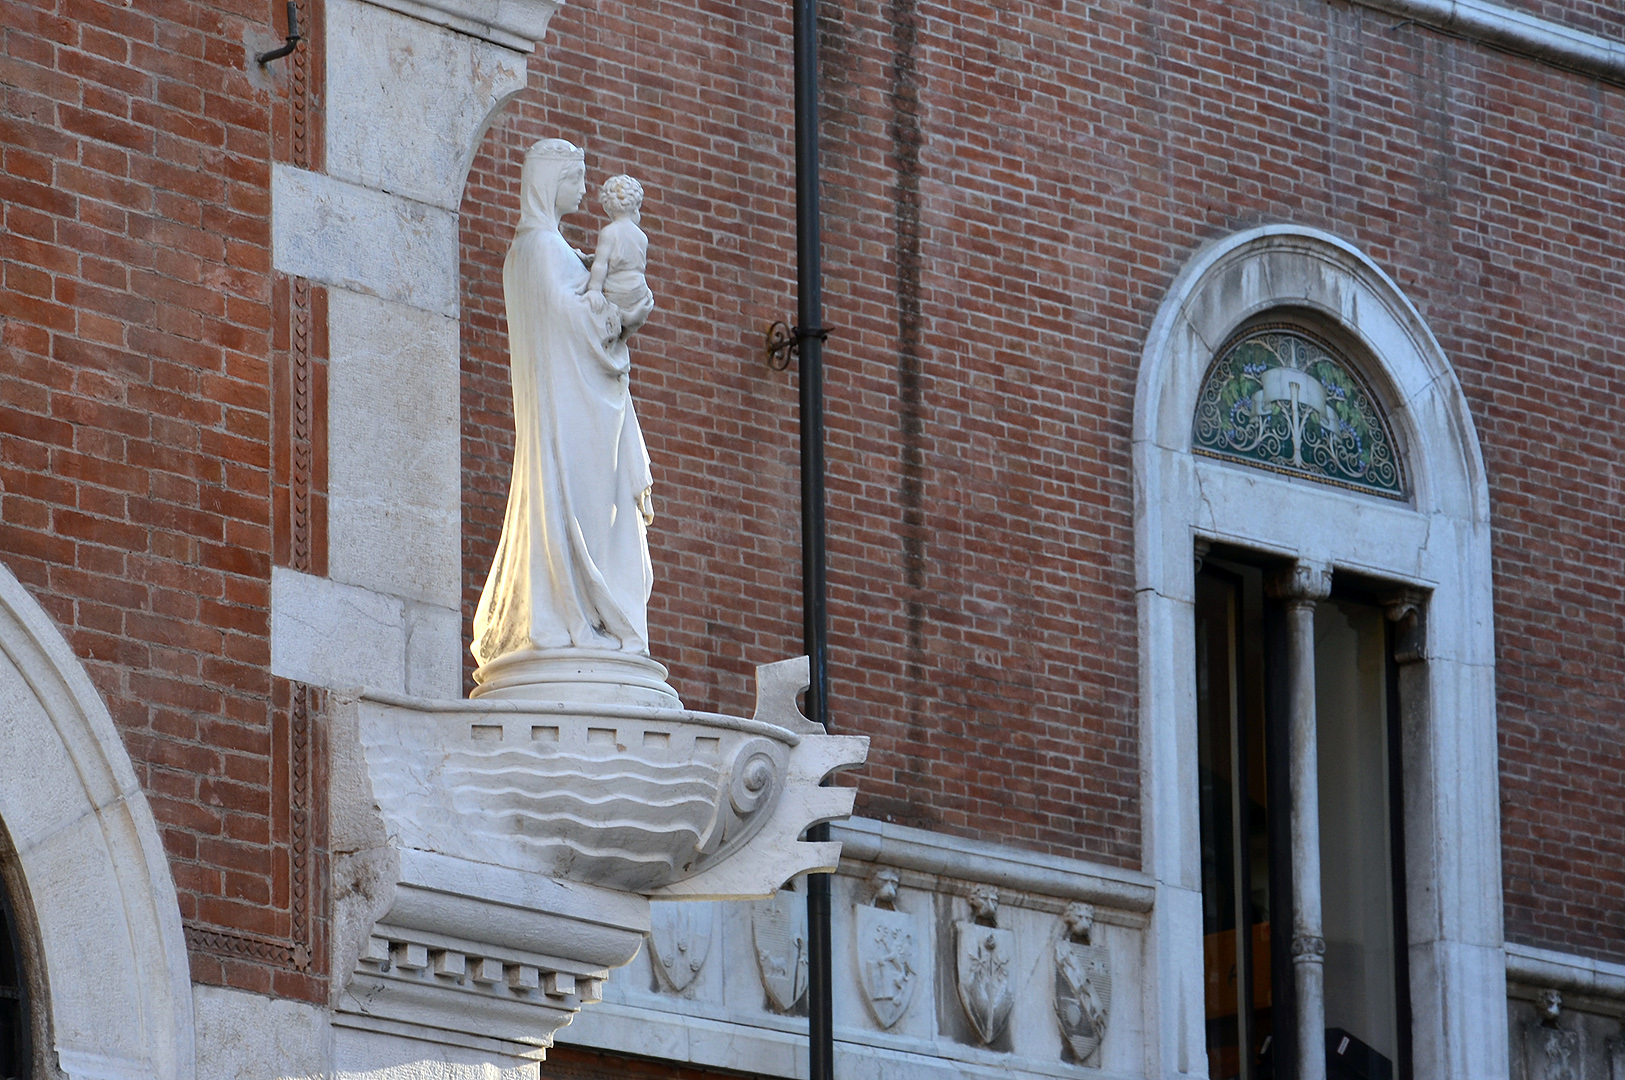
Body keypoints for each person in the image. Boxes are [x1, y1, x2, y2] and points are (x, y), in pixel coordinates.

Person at [470, 139, 660, 691]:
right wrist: (624, 315)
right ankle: (583, 612)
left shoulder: (538, 249)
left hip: (574, 406)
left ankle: (591, 615)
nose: (584, 188)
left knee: (596, 512)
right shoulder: (541, 248)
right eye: (576, 178)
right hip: (572, 416)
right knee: (590, 512)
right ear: (552, 181)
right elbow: (576, 324)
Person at [584, 174, 654, 339]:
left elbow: (602, 264)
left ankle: (616, 322)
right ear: (635, 207)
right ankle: (624, 326)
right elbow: (635, 264)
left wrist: (594, 289)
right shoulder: (641, 236)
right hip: (638, 289)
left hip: (618, 289)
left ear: (608, 207)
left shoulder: (609, 232)